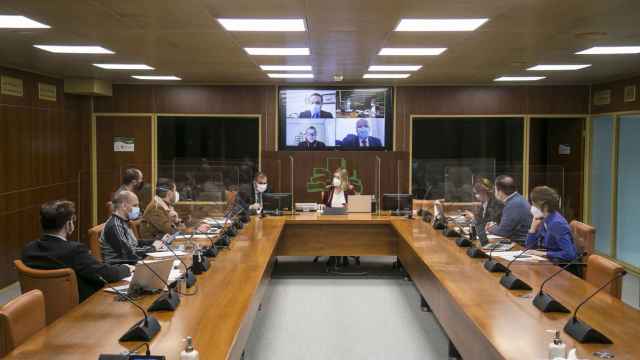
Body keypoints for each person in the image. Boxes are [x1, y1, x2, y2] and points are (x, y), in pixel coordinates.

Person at [21, 200, 131, 302]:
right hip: (79, 308)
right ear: (69, 225)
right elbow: (104, 274)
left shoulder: (28, 249)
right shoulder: (74, 250)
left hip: (40, 308)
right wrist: (126, 269)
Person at [526, 186, 578, 267]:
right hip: (550, 262)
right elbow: (529, 247)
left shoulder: (557, 223)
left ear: (545, 206)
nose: (532, 207)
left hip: (563, 268)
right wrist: (532, 229)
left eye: (534, 204)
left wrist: (543, 253)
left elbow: (569, 254)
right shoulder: (544, 219)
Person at [101, 190, 157, 265]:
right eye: (135, 205)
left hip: (131, 264)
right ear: (124, 206)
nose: (138, 209)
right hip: (120, 269)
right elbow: (128, 253)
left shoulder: (124, 221)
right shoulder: (115, 225)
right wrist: (152, 248)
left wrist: (155, 242)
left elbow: (134, 243)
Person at [485, 175, 532, 244]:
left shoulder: (513, 204)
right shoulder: (517, 199)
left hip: (520, 245)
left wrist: (490, 228)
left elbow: (502, 232)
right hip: (518, 241)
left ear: (500, 191)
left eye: (495, 189)